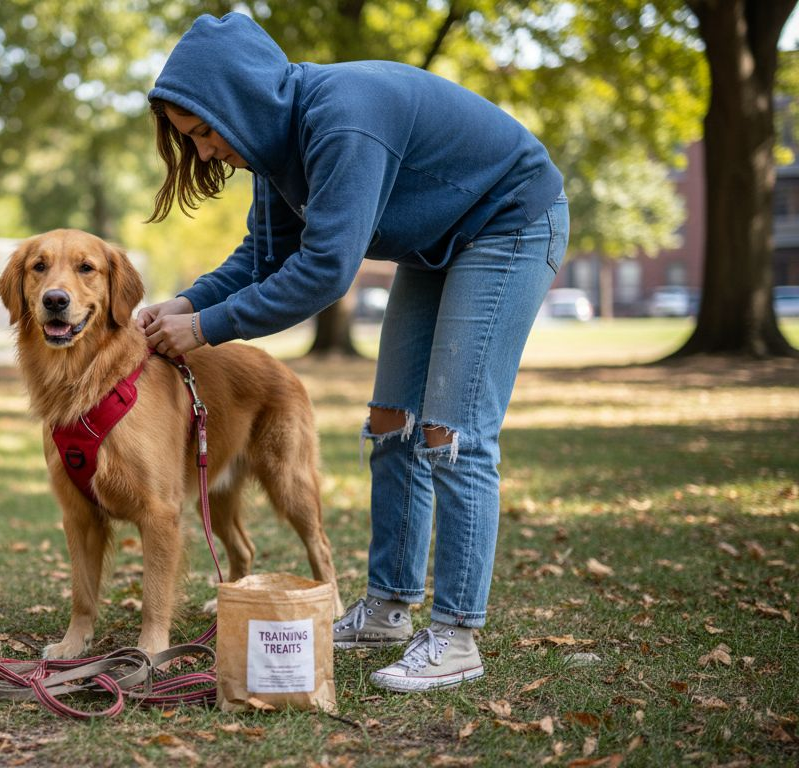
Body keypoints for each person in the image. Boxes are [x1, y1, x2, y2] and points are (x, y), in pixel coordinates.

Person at [138, 12, 568, 693]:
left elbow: (324, 270)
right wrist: (187, 304)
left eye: (205, 132)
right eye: (192, 141)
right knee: (393, 423)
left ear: (240, 98)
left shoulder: (342, 117)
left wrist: (211, 328)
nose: (208, 151)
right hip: (439, 243)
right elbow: (263, 255)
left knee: (451, 432)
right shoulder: (275, 150)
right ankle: (390, 610)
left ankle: (456, 636)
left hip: (509, 221)